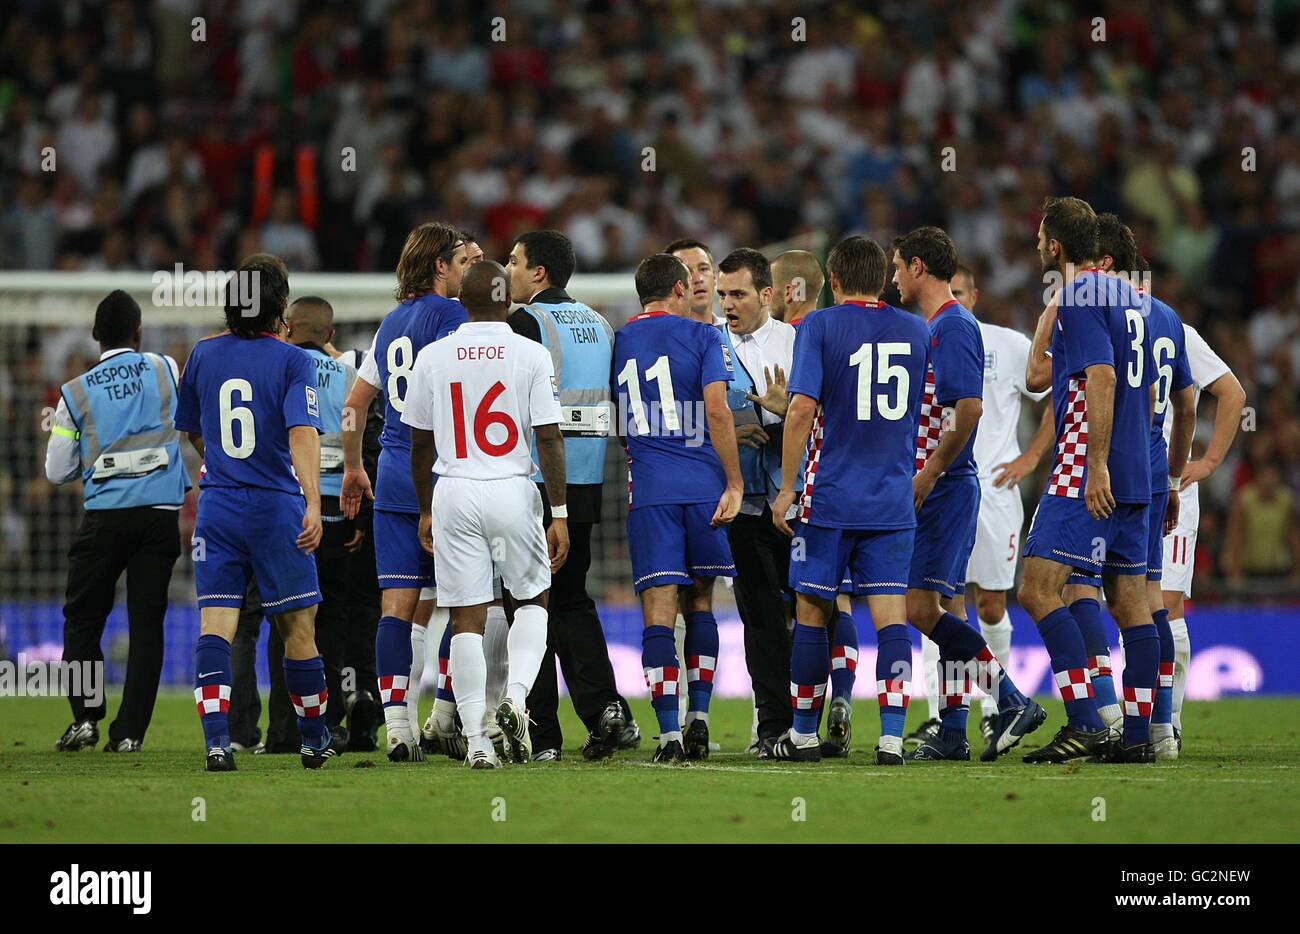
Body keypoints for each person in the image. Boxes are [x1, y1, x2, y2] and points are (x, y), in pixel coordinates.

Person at [765, 235, 929, 765]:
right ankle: (891, 739)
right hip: (891, 500)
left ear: (833, 281)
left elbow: (800, 410)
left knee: (812, 612)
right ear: (884, 279)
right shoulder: (915, 329)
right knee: (891, 620)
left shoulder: (819, 324)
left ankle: (805, 736)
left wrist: (787, 488)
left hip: (829, 497)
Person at [402, 260, 570, 768]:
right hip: (512, 489)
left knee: (467, 618)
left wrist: (425, 508)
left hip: (454, 489)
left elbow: (418, 443)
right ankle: (515, 699)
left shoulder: (433, 357)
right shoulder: (531, 353)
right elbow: (548, 435)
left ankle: (476, 742)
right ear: (506, 302)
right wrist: (558, 511)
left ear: (463, 302)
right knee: (533, 599)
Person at [891, 227, 1044, 763]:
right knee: (946, 606)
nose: (892, 278)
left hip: (947, 487)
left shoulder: (952, 325)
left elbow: (969, 409)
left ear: (917, 267)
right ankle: (954, 731)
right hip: (943, 486)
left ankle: (1011, 700)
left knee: (920, 609)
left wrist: (930, 472)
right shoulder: (938, 324)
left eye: (897, 267)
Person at [175, 254, 330, 772]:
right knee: (297, 628)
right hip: (274, 507)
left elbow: (193, 430)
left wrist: (220, 460)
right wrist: (312, 500)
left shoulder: (202, 354)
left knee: (215, 626)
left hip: (217, 506)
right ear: (280, 304)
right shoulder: (292, 360)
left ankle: (218, 743)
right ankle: (312, 740)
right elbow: (302, 433)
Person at [1019, 197, 1158, 764]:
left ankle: (1084, 720)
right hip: (1138, 470)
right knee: (1130, 602)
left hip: (1086, 468)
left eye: (1039, 237)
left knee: (1035, 587)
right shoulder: (1134, 298)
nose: (1035, 245)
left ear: (1055, 246)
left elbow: (1099, 376)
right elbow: (1146, 388)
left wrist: (1095, 461)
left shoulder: (1077, 295)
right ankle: (1139, 735)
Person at [505, 229, 638, 760]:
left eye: (514, 261)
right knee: (572, 597)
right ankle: (605, 709)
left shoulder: (526, 322)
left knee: (529, 601)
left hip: (541, 481)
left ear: (540, 272)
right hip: (588, 481)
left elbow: (523, 406)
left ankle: (541, 736)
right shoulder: (602, 324)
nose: (507, 270)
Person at [340, 222, 469, 762]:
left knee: (396, 606)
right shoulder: (455, 317)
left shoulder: (389, 325)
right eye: (462, 261)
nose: (468, 270)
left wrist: (353, 467)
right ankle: (442, 718)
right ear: (440, 266)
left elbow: (354, 405)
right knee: (466, 604)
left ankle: (398, 729)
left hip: (392, 473)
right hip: (443, 473)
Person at [612, 252, 743, 762]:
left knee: (658, 616)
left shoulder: (619, 339)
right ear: (676, 287)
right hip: (703, 485)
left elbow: (617, 415)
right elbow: (717, 408)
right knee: (702, 603)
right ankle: (700, 718)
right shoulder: (705, 335)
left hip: (650, 491)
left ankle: (667, 736)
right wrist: (733, 480)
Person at [47, 290, 188, 753]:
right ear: (138, 332)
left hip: (105, 517)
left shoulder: (75, 392)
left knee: (83, 617)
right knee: (147, 623)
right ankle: (129, 734)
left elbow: (56, 469)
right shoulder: (166, 369)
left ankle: (86, 716)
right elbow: (186, 420)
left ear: (94, 336)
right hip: (160, 516)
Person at [714, 248, 799, 749]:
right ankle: (772, 728)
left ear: (767, 294)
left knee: (814, 612)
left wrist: (785, 412)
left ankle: (814, 719)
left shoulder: (795, 341)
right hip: (744, 508)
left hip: (794, 504)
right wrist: (725, 434)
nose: (728, 304)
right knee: (761, 619)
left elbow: (821, 417)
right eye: (723, 294)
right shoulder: (709, 344)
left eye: (738, 294)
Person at [1158, 310, 1246, 757]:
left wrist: (1208, 462)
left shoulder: (1177, 334)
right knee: (1126, 605)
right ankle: (1134, 719)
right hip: (1117, 489)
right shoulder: (1099, 328)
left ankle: (1168, 724)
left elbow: (1232, 393)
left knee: (1168, 603)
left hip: (1173, 488)